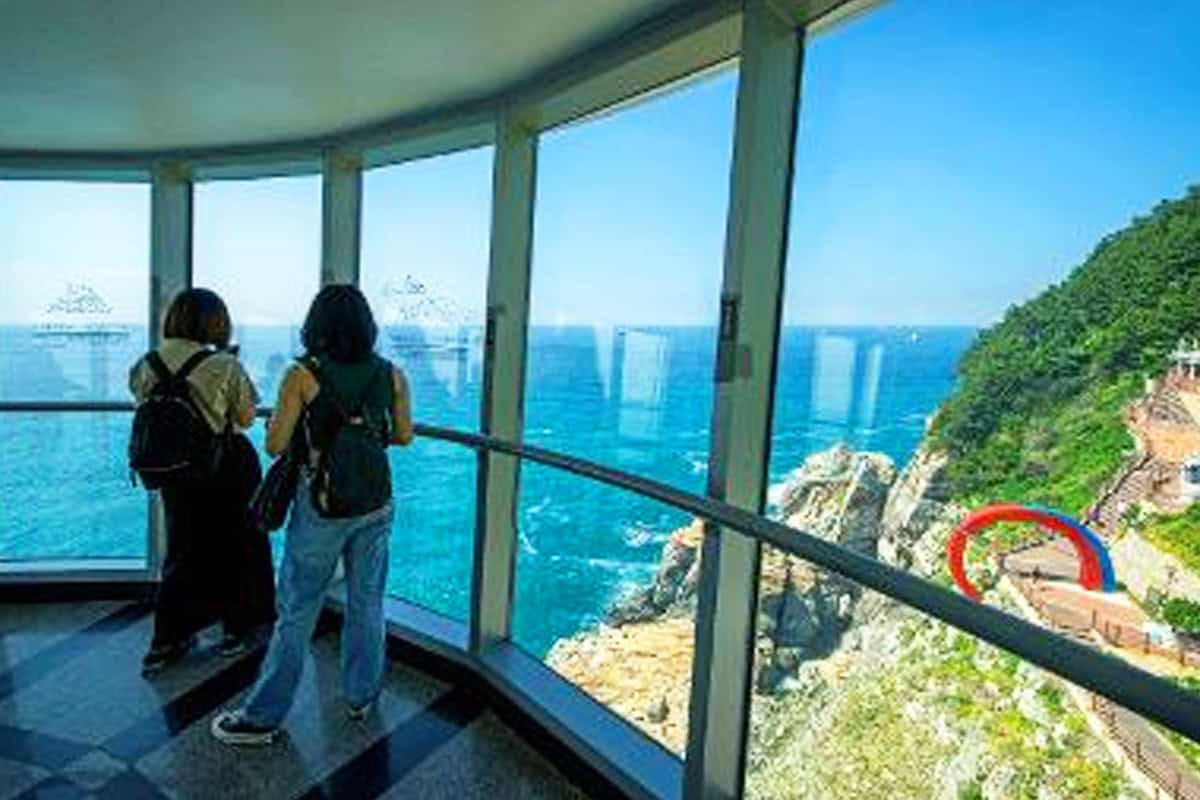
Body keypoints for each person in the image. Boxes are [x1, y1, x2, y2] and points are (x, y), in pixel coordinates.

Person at [212, 284, 413, 745]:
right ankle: (361, 698)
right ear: (366, 326)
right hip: (375, 503)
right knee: (367, 602)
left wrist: (286, 424)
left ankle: (263, 716)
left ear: (316, 325)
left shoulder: (301, 374)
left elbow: (275, 445)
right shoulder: (392, 374)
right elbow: (404, 436)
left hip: (322, 506)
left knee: (297, 610)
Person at [130, 288, 276, 674]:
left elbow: (143, 405)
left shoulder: (147, 363)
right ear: (216, 323)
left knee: (183, 547)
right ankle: (237, 629)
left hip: (175, 469)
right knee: (239, 543)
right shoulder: (223, 365)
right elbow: (245, 418)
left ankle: (167, 639)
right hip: (225, 464)